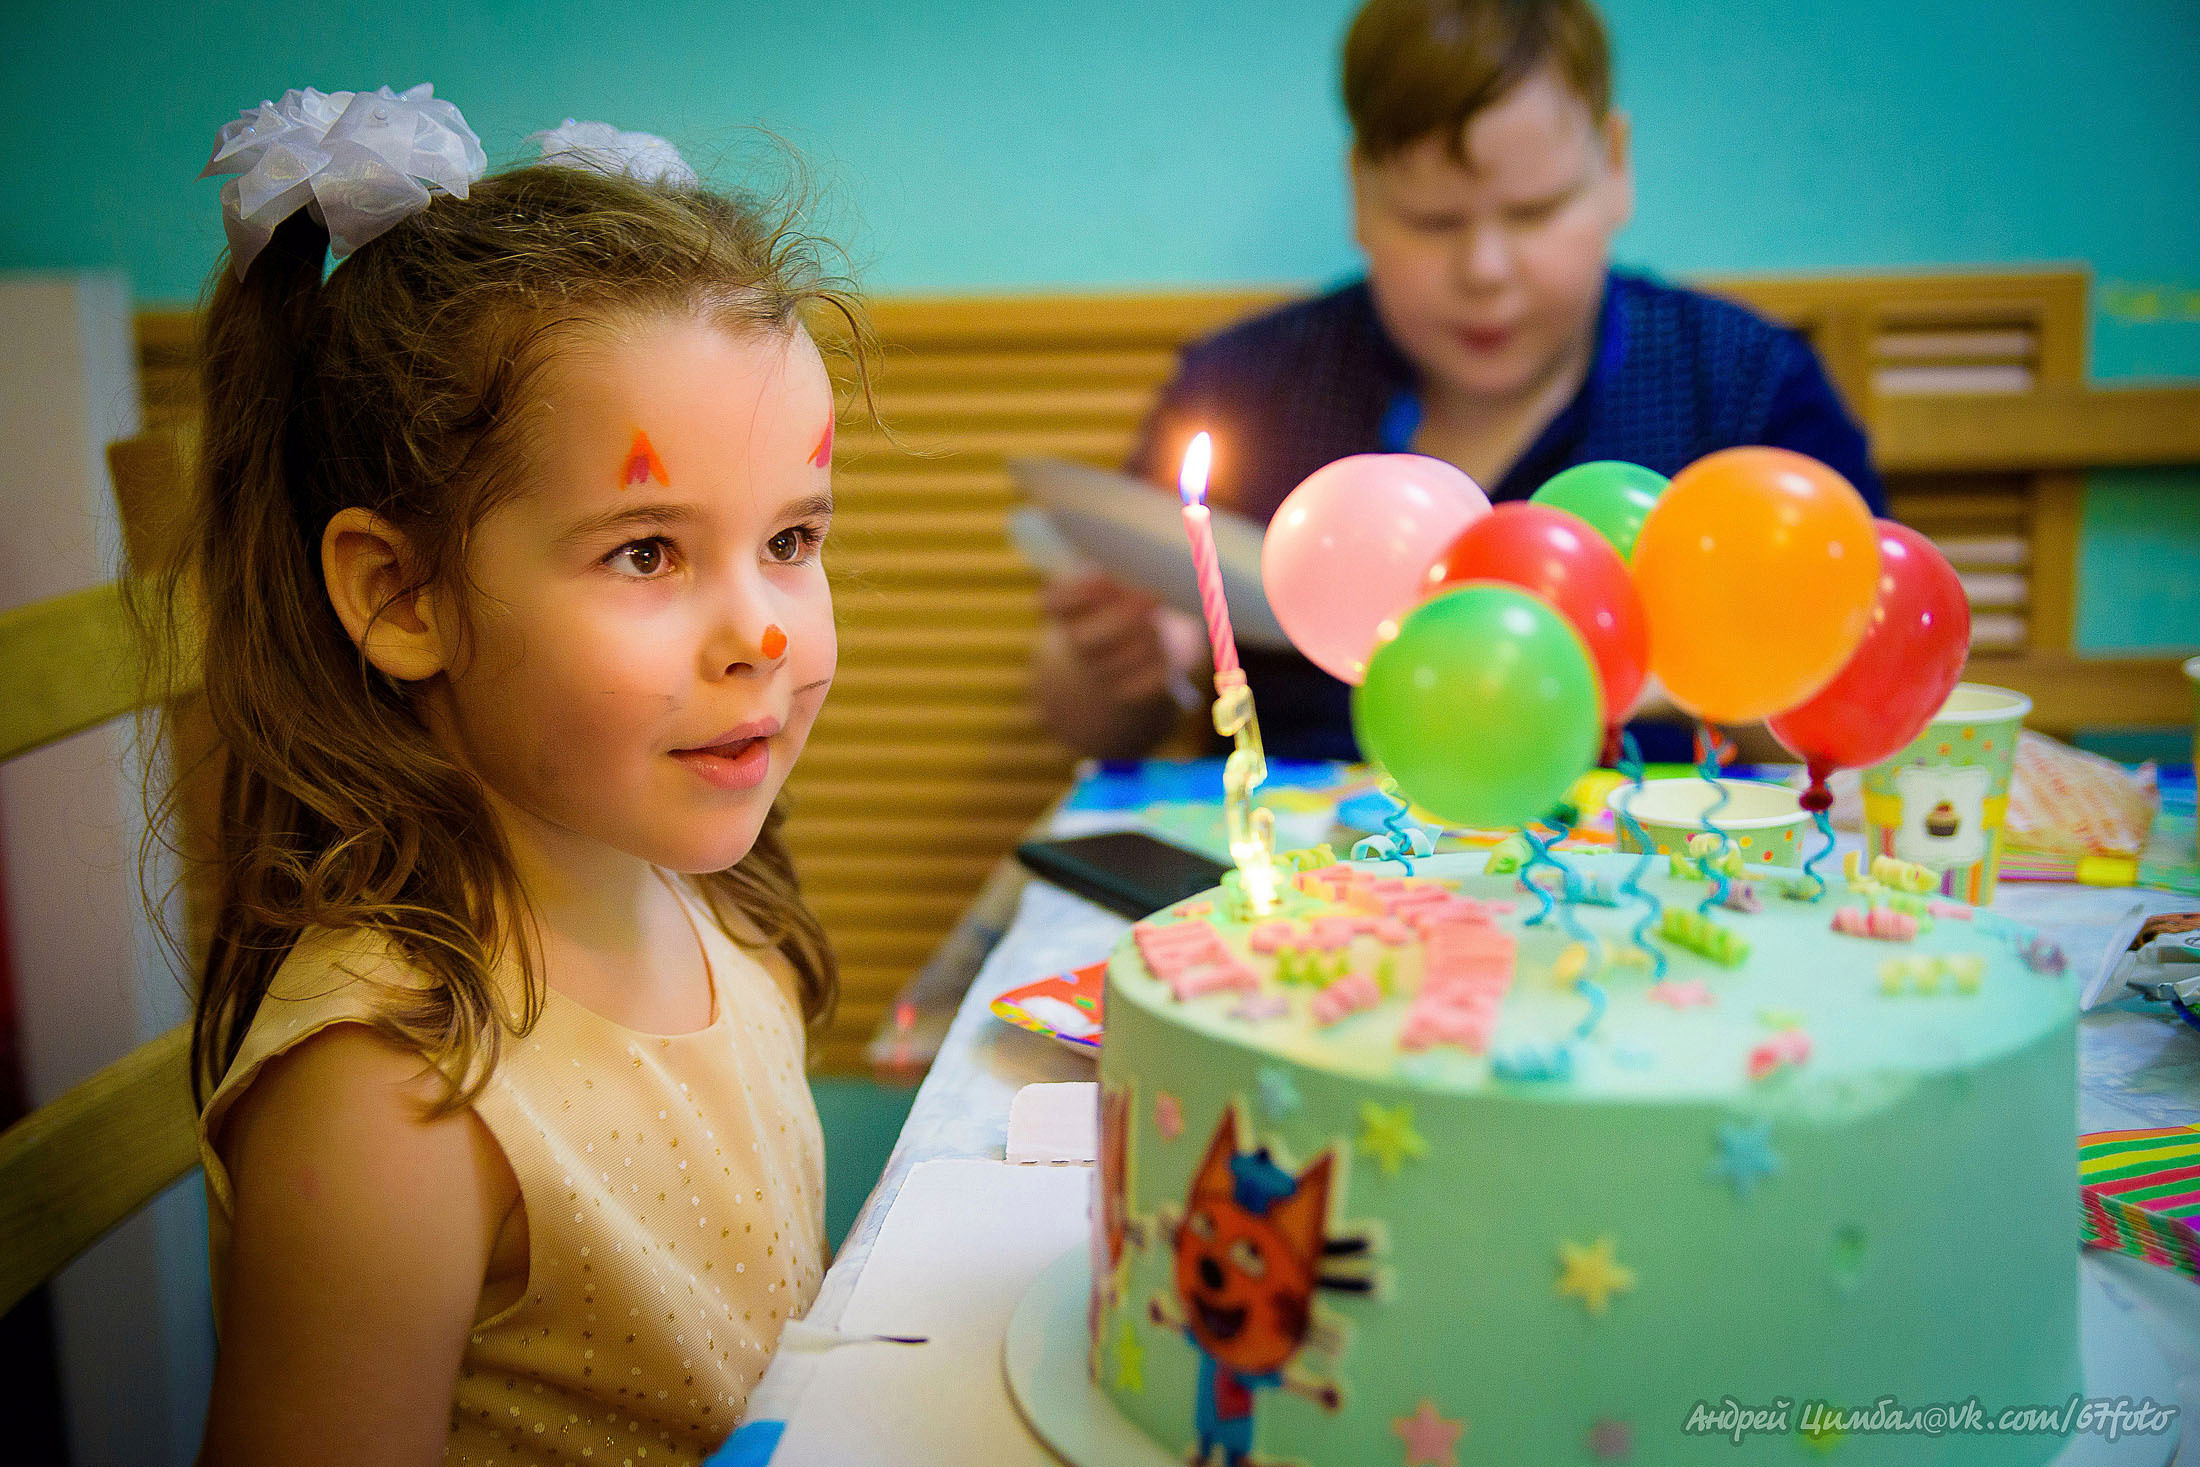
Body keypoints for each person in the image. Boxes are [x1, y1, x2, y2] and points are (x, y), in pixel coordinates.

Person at [153, 91, 860, 1463]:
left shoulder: (715, 906)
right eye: (647, 550)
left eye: (791, 537)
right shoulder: (390, 1101)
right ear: (401, 591)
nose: (766, 632)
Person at [1034, 0, 1886, 764]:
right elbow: (1088, 721)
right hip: (1339, 888)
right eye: (1432, 221)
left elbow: (1860, 700)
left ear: (1615, 165)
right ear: (1361, 194)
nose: (1485, 270)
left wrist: (1720, 673)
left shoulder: (1742, 385)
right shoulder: (1247, 388)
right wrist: (1122, 662)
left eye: (1535, 211)